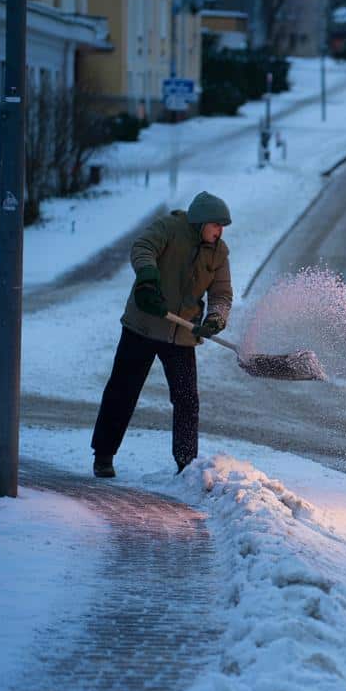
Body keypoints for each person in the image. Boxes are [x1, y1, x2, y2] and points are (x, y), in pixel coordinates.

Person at [90, 192, 234, 478]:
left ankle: (186, 465)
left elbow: (221, 293)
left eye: (222, 227)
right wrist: (147, 277)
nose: (219, 232)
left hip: (181, 333)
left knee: (186, 399)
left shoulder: (219, 252)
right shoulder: (169, 228)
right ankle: (103, 455)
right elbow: (143, 248)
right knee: (123, 390)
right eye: (216, 225)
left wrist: (216, 318)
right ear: (201, 221)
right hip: (142, 325)